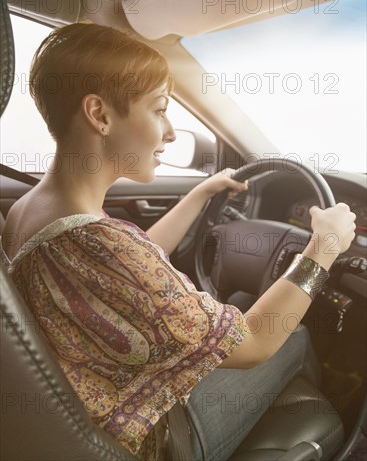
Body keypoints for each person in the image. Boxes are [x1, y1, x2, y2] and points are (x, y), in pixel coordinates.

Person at [1, 23, 356, 461]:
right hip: (153, 434)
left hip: (94, 407)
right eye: (159, 109)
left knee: (251, 300)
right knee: (294, 335)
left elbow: (132, 268)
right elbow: (255, 343)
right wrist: (324, 245)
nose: (169, 133)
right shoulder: (104, 247)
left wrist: (200, 193)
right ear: (100, 114)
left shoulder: (32, 211)